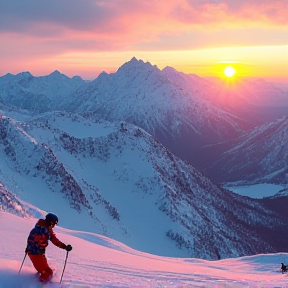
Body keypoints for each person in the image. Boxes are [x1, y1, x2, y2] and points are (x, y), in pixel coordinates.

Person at [25, 213, 72, 283]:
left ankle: (37, 281)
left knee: (44, 270)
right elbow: (54, 240)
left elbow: (30, 239)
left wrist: (28, 248)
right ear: (50, 223)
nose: (53, 226)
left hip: (34, 253)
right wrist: (65, 247)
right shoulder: (44, 230)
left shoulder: (39, 227)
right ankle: (39, 285)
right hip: (36, 254)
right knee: (48, 272)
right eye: (54, 224)